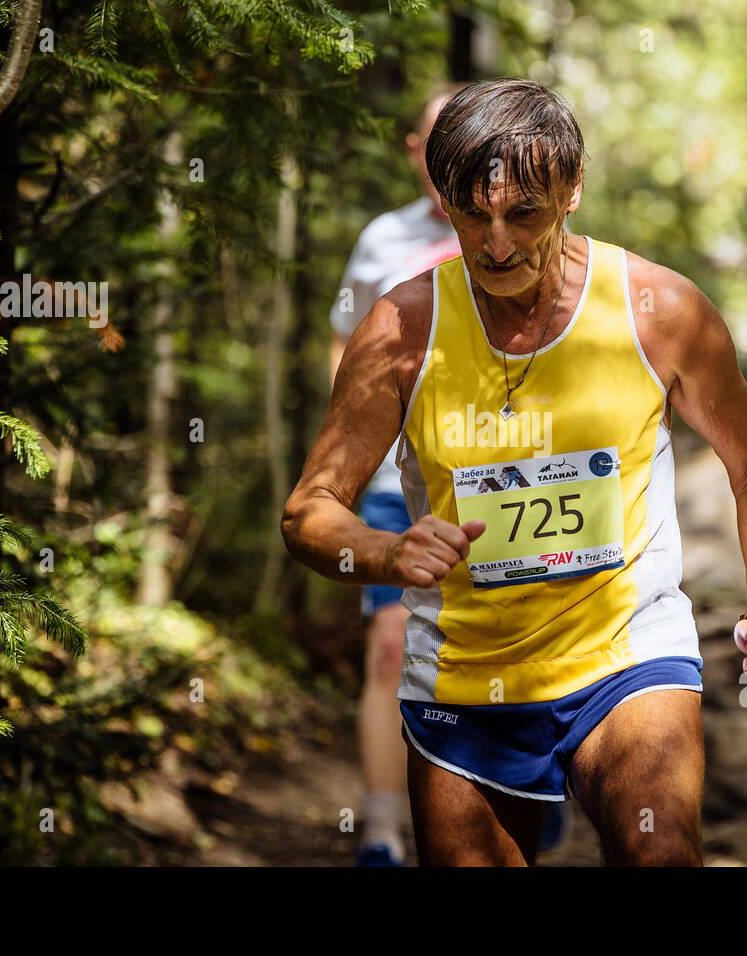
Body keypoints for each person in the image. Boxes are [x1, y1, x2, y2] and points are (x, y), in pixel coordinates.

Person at [286, 78, 747, 866]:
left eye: (524, 212)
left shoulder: (657, 310)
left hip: (627, 656)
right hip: (465, 683)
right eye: (473, 215)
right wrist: (388, 554)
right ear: (443, 199)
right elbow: (309, 512)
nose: (497, 243)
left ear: (572, 189)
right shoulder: (399, 331)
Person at [328, 85, 467, 867]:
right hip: (391, 481)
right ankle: (383, 830)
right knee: (392, 645)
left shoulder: (520, 234)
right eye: (432, 141)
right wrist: (341, 465)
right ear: (414, 150)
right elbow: (344, 344)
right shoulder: (383, 239)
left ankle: (533, 790)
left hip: (500, 482)